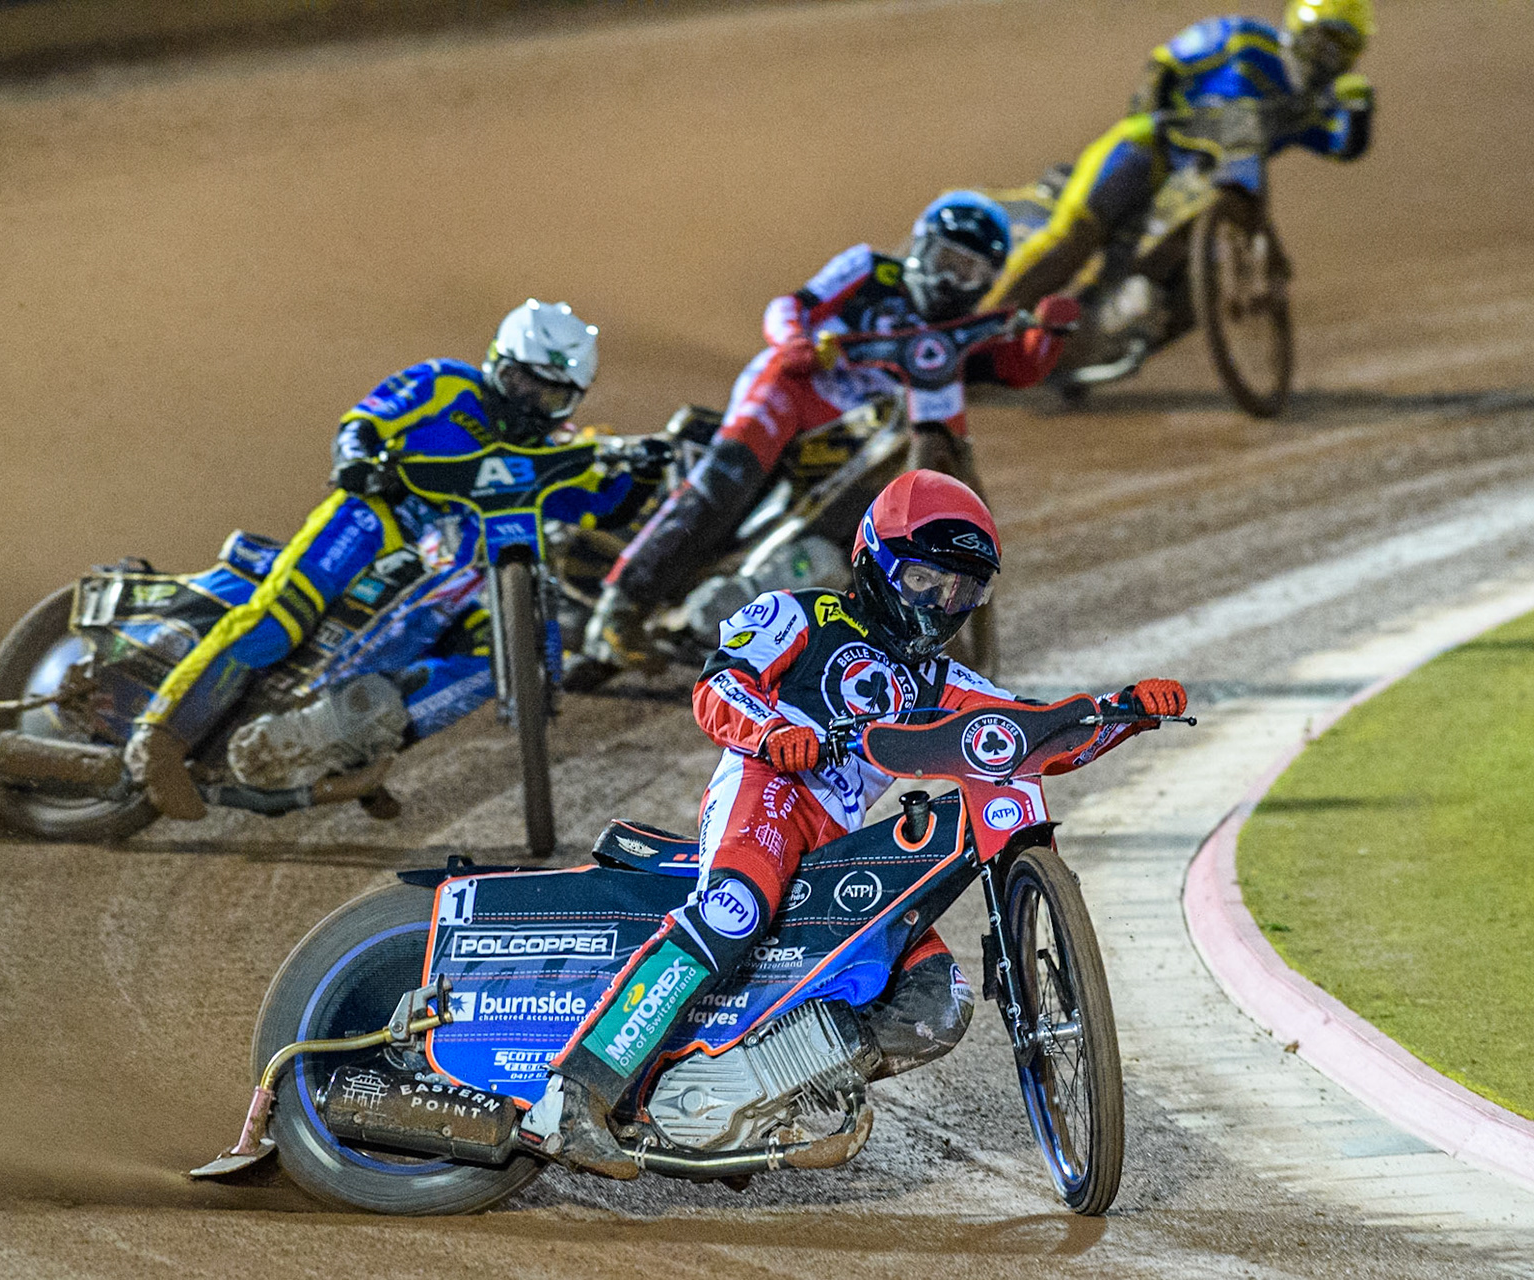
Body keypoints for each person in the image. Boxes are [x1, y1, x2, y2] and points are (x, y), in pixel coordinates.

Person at [520, 469, 1188, 1177]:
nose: (943, 603)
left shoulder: (940, 678)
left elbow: (1025, 734)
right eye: (929, 581)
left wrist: (1121, 712)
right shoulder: (796, 615)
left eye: (963, 590)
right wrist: (776, 729)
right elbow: (718, 685)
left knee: (938, 1000)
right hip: (767, 791)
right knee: (733, 912)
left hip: (841, 838)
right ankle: (571, 1095)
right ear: (875, 560)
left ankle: (756, 1088)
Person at [123, 300, 652, 820]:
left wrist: (649, 470)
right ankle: (159, 739)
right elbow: (364, 421)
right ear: (496, 362)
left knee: (500, 654)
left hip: (452, 577)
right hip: (377, 516)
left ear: (573, 400)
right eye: (521, 383)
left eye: (551, 395)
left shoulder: (547, 455)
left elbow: (602, 508)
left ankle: (351, 744)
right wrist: (355, 459)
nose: (530, 402)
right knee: (281, 617)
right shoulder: (445, 382)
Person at [565, 192, 1070, 689]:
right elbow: (791, 305)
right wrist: (794, 344)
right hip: (793, 390)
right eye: (943, 261)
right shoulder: (870, 270)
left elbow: (1014, 368)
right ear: (919, 247)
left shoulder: (956, 336)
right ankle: (622, 606)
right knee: (728, 480)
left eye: (968, 273)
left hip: (860, 437)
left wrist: (1049, 336)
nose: (947, 281)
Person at [984, 0, 1376, 312]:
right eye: (1324, 39)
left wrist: (1360, 114)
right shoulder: (1244, 39)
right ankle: (982, 331)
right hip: (1150, 149)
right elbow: (1167, 61)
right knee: (1073, 239)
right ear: (1300, 29)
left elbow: (1342, 148)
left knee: (1184, 285)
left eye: (1342, 49)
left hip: (1202, 188)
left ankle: (1091, 337)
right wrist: (1148, 115)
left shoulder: (1308, 108)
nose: (1328, 57)